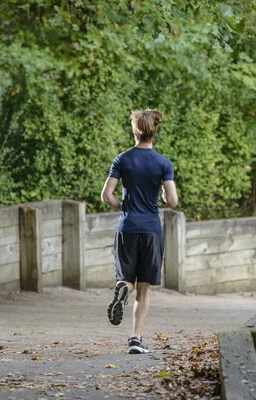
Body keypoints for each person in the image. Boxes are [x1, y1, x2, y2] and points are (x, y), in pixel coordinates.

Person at [100, 109, 178, 354]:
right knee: (144, 287)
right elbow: (173, 201)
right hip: (151, 229)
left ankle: (122, 290)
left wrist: (124, 208)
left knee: (126, 279)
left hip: (128, 227)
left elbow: (106, 195)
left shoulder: (122, 159)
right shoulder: (163, 163)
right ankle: (135, 339)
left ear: (135, 131)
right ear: (154, 132)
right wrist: (164, 195)